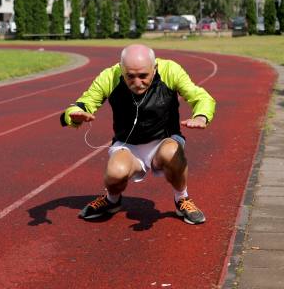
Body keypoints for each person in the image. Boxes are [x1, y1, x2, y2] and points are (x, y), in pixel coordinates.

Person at [60, 44, 216, 225]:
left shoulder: (170, 70)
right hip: (128, 144)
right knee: (115, 173)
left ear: (154, 68)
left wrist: (202, 116)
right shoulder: (110, 76)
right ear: (121, 69)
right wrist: (74, 116)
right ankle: (112, 201)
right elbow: (84, 102)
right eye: (130, 76)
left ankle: (182, 199)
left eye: (143, 76)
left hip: (164, 140)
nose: (137, 82)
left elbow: (200, 97)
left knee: (172, 152)